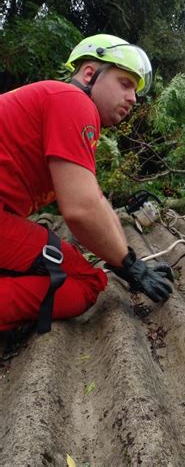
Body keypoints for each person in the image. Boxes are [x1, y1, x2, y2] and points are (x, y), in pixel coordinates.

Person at [0, 34, 174, 335]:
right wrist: (129, 266)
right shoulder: (73, 101)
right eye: (125, 83)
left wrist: (128, 259)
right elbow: (81, 209)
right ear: (90, 74)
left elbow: (95, 199)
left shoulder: (58, 103)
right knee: (86, 280)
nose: (133, 97)